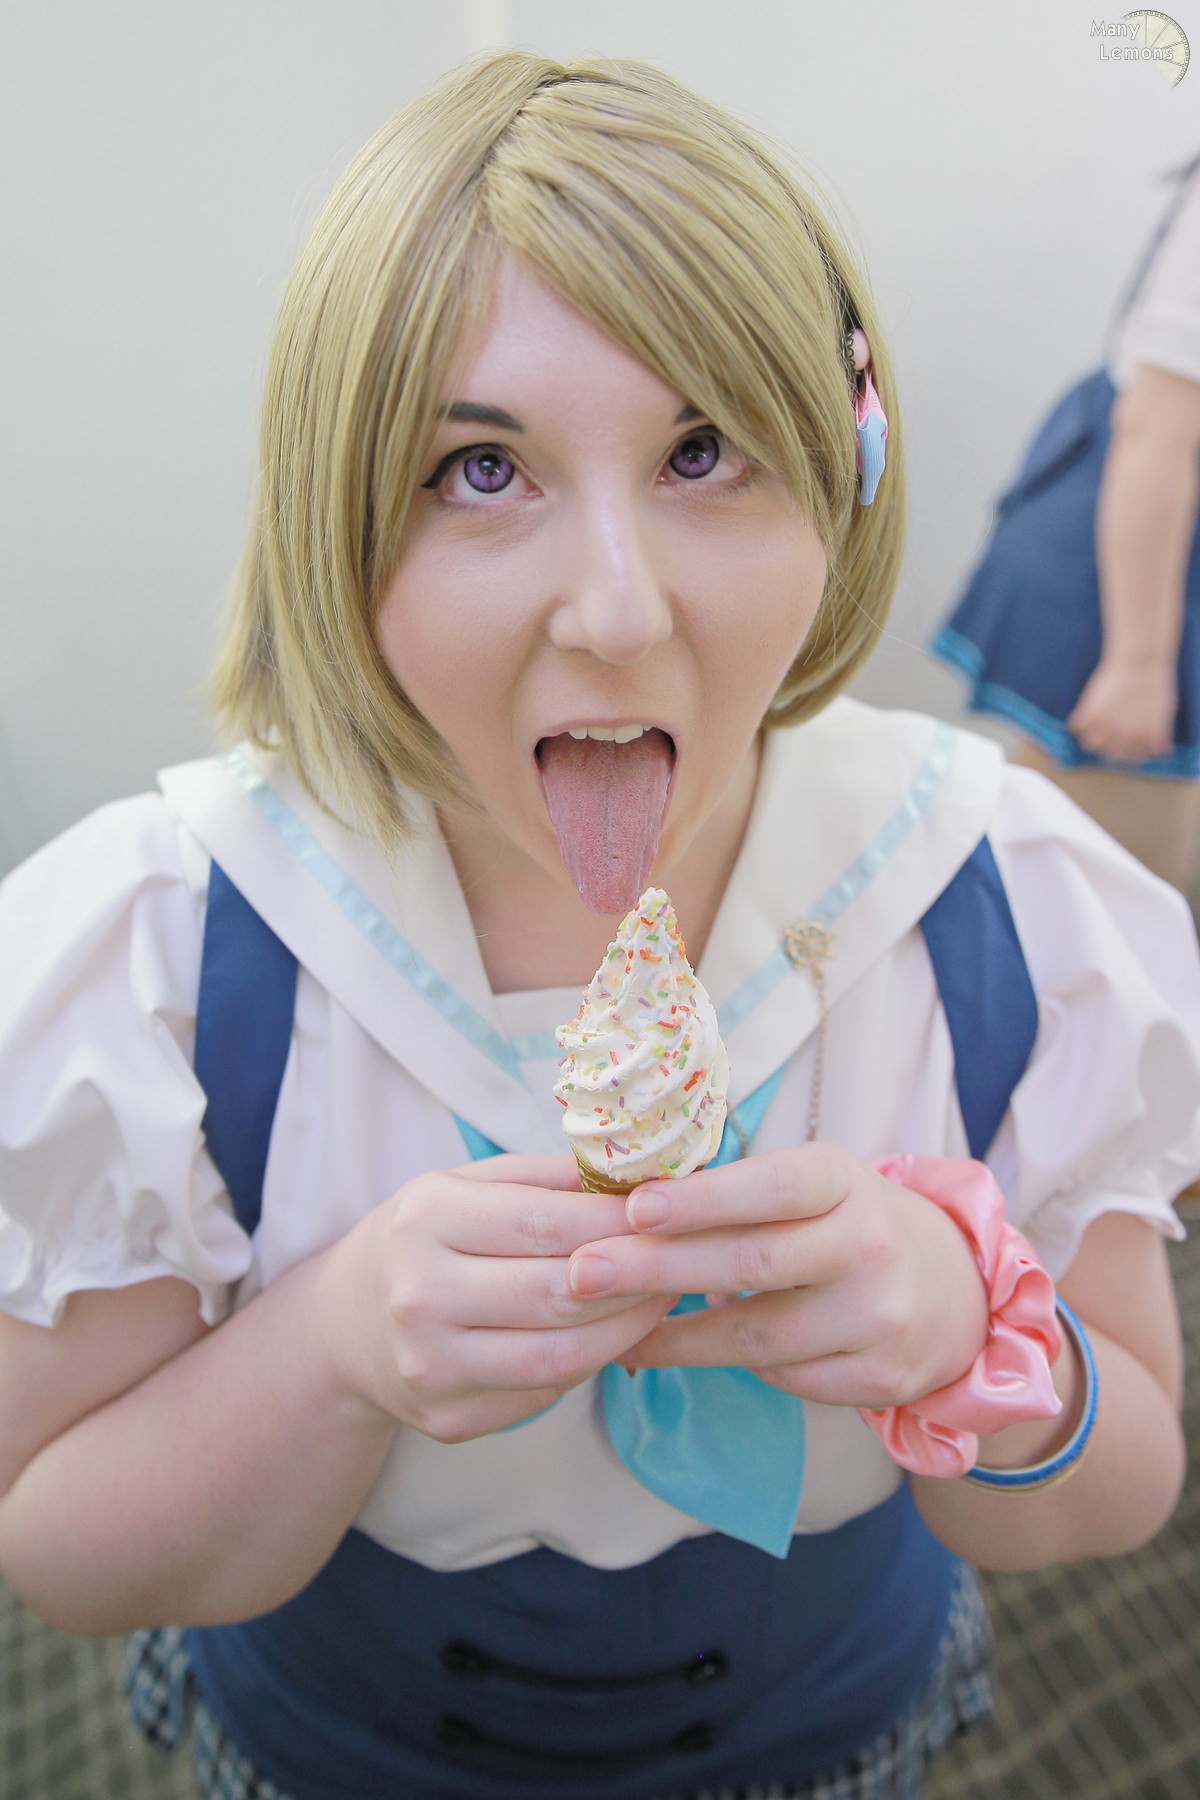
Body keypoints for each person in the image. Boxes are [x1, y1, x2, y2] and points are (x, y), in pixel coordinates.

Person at [0, 51, 1197, 1800]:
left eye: (705, 450)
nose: (617, 613)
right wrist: (329, 1351)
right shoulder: (179, 954)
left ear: (845, 466)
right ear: (337, 517)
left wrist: (963, 1332)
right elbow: (66, 1550)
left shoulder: (999, 904)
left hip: (826, 1716)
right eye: (481, 469)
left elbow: (1121, 1486)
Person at [932, 158, 1200, 889]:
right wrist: (1139, 664)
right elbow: (1155, 435)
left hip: (1153, 546)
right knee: (1113, 898)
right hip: (1139, 573)